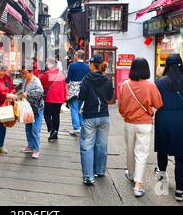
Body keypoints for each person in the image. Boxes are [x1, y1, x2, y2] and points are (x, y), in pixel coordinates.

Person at [154, 54, 183, 202]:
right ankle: (179, 191)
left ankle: (162, 177)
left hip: (163, 120)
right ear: (181, 64)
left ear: (166, 65)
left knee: (163, 150)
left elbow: (155, 103)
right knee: (181, 156)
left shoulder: (159, 82)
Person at [118, 58, 163, 197]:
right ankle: (138, 186)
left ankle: (131, 174)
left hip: (129, 123)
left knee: (129, 150)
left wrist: (126, 113)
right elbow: (159, 104)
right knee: (141, 153)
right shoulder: (150, 86)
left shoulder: (125, 84)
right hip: (144, 123)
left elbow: (121, 106)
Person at [78, 54, 114, 185]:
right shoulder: (107, 79)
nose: (88, 65)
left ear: (93, 64)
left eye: (90, 63)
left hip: (90, 116)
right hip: (104, 116)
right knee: (102, 145)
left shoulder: (87, 79)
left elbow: (81, 95)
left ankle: (88, 176)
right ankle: (99, 170)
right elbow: (110, 96)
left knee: (87, 146)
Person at [40, 57, 67, 141]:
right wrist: (65, 96)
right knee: (56, 115)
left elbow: (41, 83)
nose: (46, 65)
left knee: (47, 114)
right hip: (59, 98)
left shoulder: (47, 74)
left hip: (50, 97)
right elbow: (64, 86)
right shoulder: (61, 74)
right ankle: (55, 133)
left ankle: (52, 130)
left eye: (47, 63)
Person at [19, 67, 45, 159]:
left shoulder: (36, 81)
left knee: (35, 129)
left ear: (31, 72)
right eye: (23, 73)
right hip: (28, 108)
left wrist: (28, 94)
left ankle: (36, 149)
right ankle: (30, 146)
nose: (24, 75)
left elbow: (40, 93)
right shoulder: (26, 81)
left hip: (37, 109)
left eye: (25, 73)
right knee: (28, 128)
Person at [66, 50, 90, 136]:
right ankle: (81, 126)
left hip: (74, 90)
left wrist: (66, 90)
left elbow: (68, 79)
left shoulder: (72, 66)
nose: (74, 56)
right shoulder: (88, 67)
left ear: (77, 56)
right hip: (84, 89)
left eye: (75, 54)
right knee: (81, 109)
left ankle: (76, 128)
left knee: (74, 109)